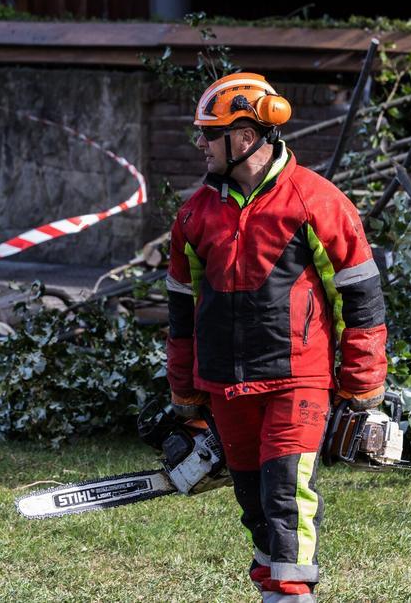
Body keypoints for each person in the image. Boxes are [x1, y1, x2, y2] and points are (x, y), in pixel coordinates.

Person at [165, 72, 390, 602]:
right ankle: (273, 590)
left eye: (207, 132)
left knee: (286, 492)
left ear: (244, 137)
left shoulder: (315, 200)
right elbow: (181, 311)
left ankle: (292, 594)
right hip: (224, 383)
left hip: (298, 378)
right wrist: (185, 390)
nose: (199, 142)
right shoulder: (194, 214)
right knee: (254, 501)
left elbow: (360, 295)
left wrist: (361, 381)